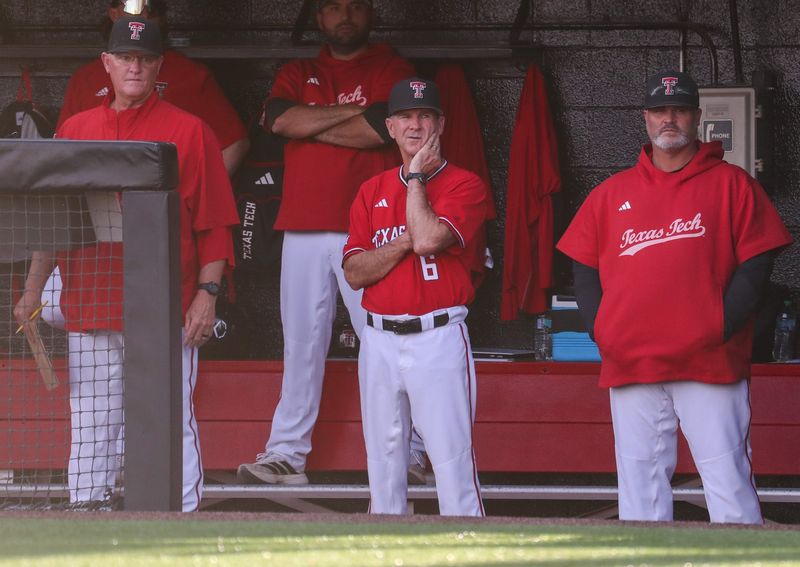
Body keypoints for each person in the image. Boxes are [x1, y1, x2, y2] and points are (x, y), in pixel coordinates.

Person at [14, 16, 239, 512]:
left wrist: (208, 295)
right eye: (126, 58)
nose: (134, 67)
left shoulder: (190, 130)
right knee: (91, 418)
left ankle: (178, 517)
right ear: (107, 64)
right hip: (92, 302)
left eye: (145, 59)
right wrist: (32, 291)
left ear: (158, 66)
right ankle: (86, 512)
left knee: (166, 417)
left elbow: (216, 224)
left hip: (164, 306)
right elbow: (54, 224)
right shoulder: (77, 128)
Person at [557, 71, 792, 523]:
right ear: (645, 118)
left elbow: (758, 263)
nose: (670, 119)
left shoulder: (732, 184)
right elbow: (583, 264)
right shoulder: (611, 193)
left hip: (709, 361)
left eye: (680, 109)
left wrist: (718, 325)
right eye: (660, 111)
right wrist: (601, 328)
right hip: (632, 361)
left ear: (697, 118)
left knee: (727, 485)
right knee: (640, 490)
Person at [235, 0, 419, 486]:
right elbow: (277, 120)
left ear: (370, 13)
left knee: (384, 341)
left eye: (354, 6)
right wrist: (353, 115)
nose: (344, 15)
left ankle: (413, 448)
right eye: (333, 7)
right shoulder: (299, 69)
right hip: (301, 226)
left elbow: (381, 128)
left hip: (370, 230)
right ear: (318, 18)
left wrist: (314, 120)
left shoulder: (391, 66)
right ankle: (286, 454)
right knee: (300, 346)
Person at [343, 78, 487, 515]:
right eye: (405, 115)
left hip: (437, 335)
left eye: (425, 115)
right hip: (379, 339)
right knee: (383, 466)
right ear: (389, 126)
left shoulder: (465, 184)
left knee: (451, 462)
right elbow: (354, 272)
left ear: (440, 124)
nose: (415, 124)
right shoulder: (370, 190)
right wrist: (404, 242)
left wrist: (417, 179)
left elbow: (427, 240)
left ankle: (468, 553)